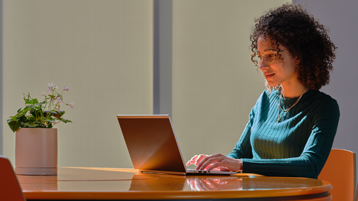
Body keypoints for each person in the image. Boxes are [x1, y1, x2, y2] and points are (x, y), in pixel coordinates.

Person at [186, 4, 339, 179]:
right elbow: (240, 152)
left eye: (271, 55)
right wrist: (218, 164)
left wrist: (241, 165)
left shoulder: (324, 107)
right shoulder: (265, 100)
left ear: (297, 55)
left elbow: (310, 165)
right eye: (260, 56)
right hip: (253, 193)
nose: (262, 65)